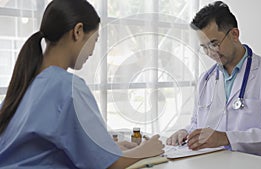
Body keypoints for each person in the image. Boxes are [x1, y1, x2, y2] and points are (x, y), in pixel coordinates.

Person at [0, 0, 164, 168]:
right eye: (95, 39)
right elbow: (110, 165)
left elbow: (46, 151)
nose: (92, 51)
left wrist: (110, 150)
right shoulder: (68, 87)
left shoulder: (23, 86)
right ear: (78, 31)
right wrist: (147, 149)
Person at [166, 1, 261, 161]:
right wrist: (185, 132)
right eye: (204, 47)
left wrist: (226, 138)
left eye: (214, 44)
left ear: (234, 34)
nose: (210, 53)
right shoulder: (206, 79)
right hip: (215, 162)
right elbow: (197, 124)